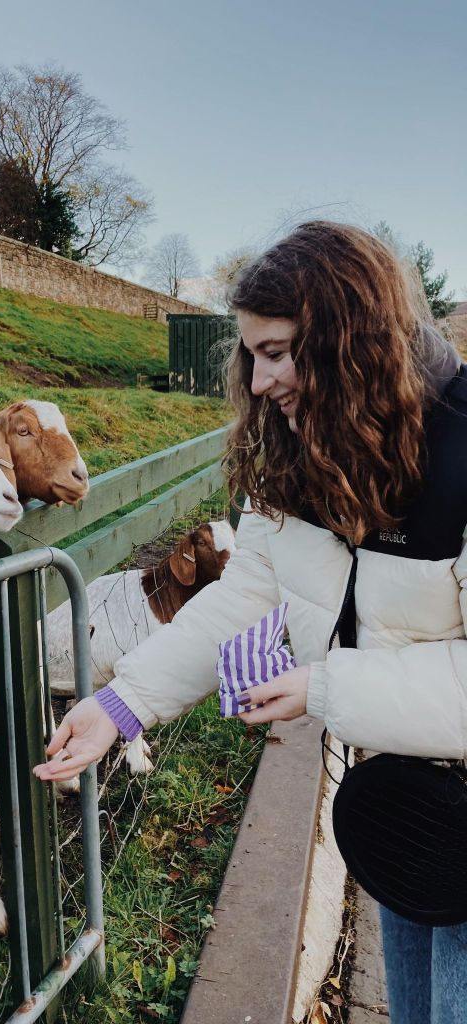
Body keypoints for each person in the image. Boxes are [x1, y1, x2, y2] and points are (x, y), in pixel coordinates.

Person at [33, 220, 467, 1024]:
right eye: (250, 354)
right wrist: (121, 705)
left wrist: (325, 685)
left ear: (350, 340)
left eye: (276, 352)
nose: (259, 381)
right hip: (416, 814)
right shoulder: (315, 450)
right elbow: (244, 597)